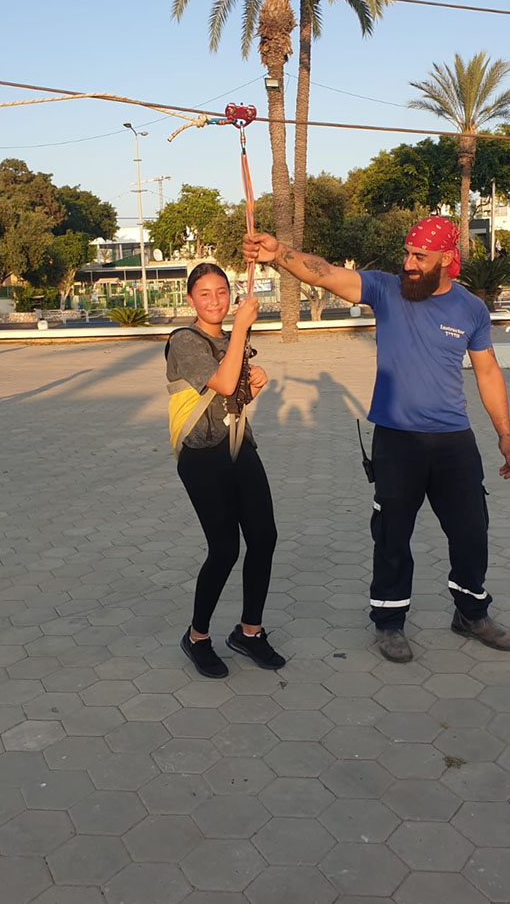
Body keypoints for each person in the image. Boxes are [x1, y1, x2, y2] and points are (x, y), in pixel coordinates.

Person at [243, 218, 510, 663]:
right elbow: (326, 273)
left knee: (471, 532)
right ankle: (389, 621)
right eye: (406, 253)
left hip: (453, 441)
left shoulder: (471, 309)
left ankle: (471, 612)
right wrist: (279, 254)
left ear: (447, 259)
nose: (408, 264)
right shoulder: (387, 290)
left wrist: (505, 432)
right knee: (392, 535)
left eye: (419, 257)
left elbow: (487, 372)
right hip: (397, 440)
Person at [165, 262, 285, 678]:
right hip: (201, 454)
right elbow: (222, 383)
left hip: (237, 445)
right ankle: (197, 636)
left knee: (264, 537)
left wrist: (256, 384)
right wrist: (240, 333)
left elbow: (235, 397)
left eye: (221, 292)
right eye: (205, 294)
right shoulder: (184, 340)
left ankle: (250, 631)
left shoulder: (230, 339)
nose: (215, 301)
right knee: (225, 549)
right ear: (190, 299)